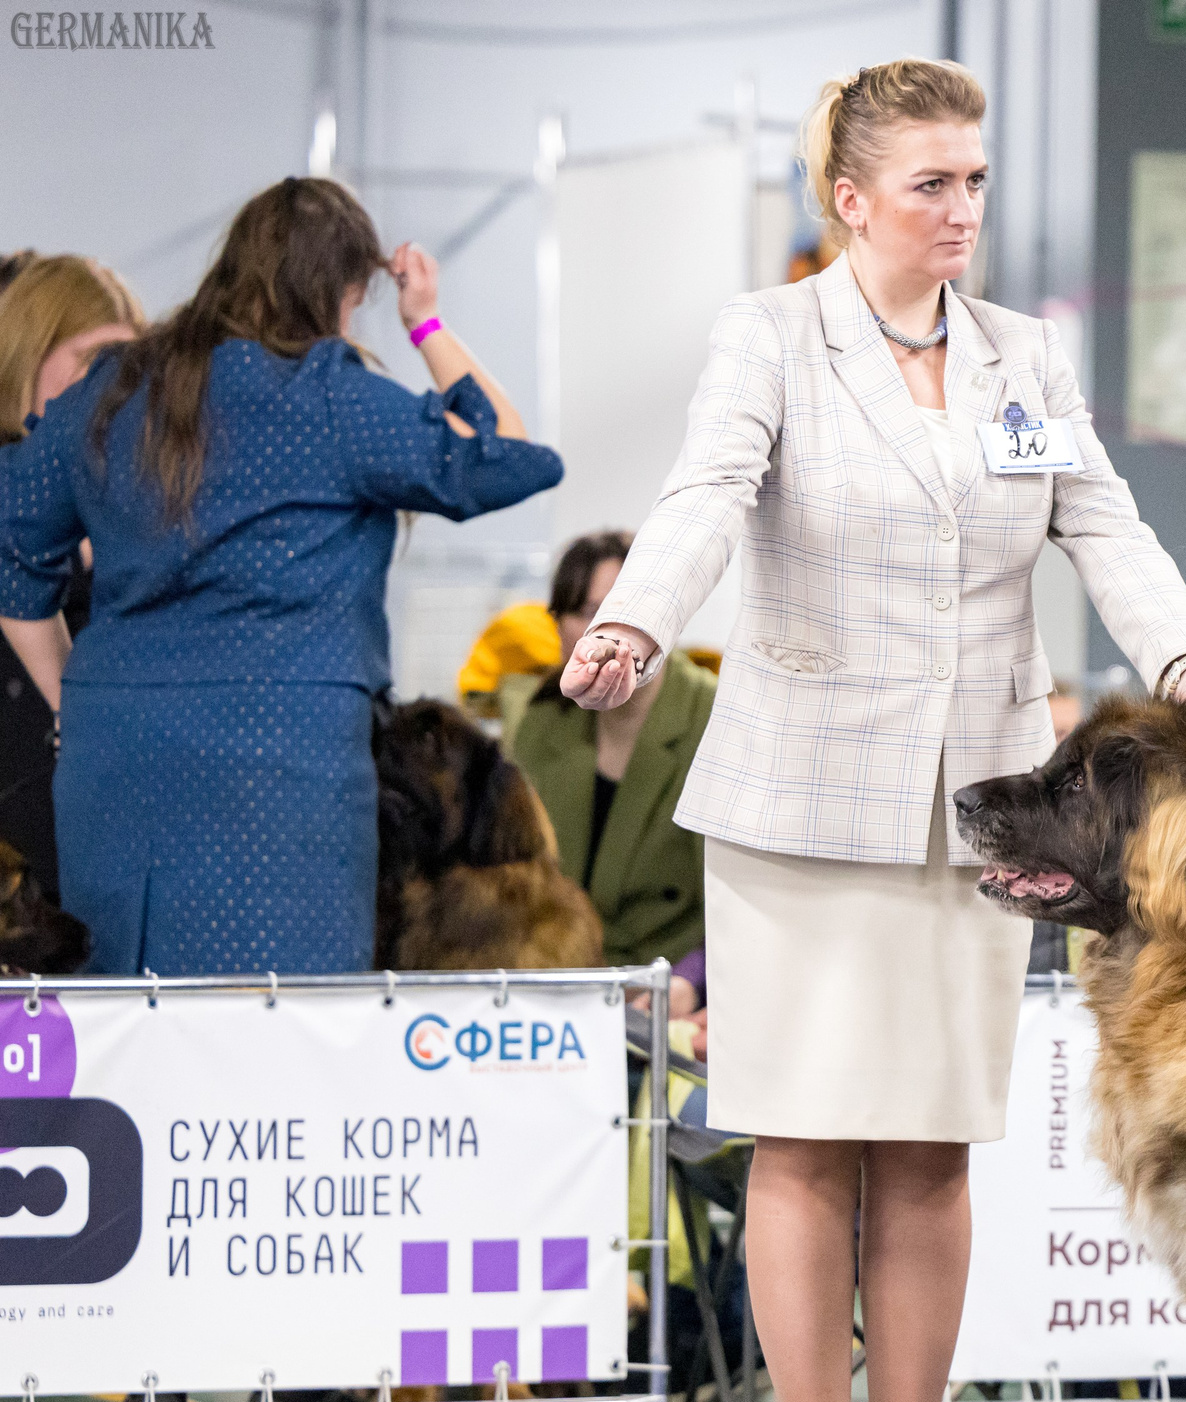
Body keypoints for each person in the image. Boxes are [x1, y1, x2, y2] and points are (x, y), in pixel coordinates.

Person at [559, 60, 1186, 1402]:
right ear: (850, 199)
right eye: (930, 184)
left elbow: (1108, 529)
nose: (961, 211)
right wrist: (630, 626)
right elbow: (701, 498)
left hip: (979, 810)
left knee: (933, 1158)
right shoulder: (770, 338)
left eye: (976, 181)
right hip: (800, 802)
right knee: (805, 1148)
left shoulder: (1027, 356)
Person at [0, 177, 561, 977]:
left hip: (118, 763)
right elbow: (512, 454)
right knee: (281, 1028)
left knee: (127, 1020)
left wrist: (72, 701)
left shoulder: (113, 391)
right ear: (341, 292)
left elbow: (11, 553)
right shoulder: (338, 398)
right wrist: (425, 320)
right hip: (286, 764)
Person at [0, 254, 145, 900]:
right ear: (28, 354)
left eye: (130, 362)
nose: (114, 383)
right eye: (91, 360)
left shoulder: (140, 494)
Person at [505, 529, 715, 968]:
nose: (604, 634)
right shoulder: (542, 720)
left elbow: (739, 896)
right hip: (560, 978)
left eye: (622, 611)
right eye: (585, 613)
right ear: (558, 625)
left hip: (670, 982)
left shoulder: (713, 712)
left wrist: (692, 983)